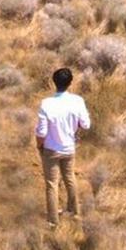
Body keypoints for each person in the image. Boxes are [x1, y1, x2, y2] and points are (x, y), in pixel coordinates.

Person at [35, 67, 91, 227]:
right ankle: (74, 212)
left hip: (51, 149)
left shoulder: (46, 104)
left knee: (52, 184)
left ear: (54, 82)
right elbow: (86, 124)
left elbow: (41, 132)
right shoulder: (78, 101)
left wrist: (39, 145)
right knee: (70, 178)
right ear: (70, 83)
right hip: (69, 148)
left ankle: (53, 221)